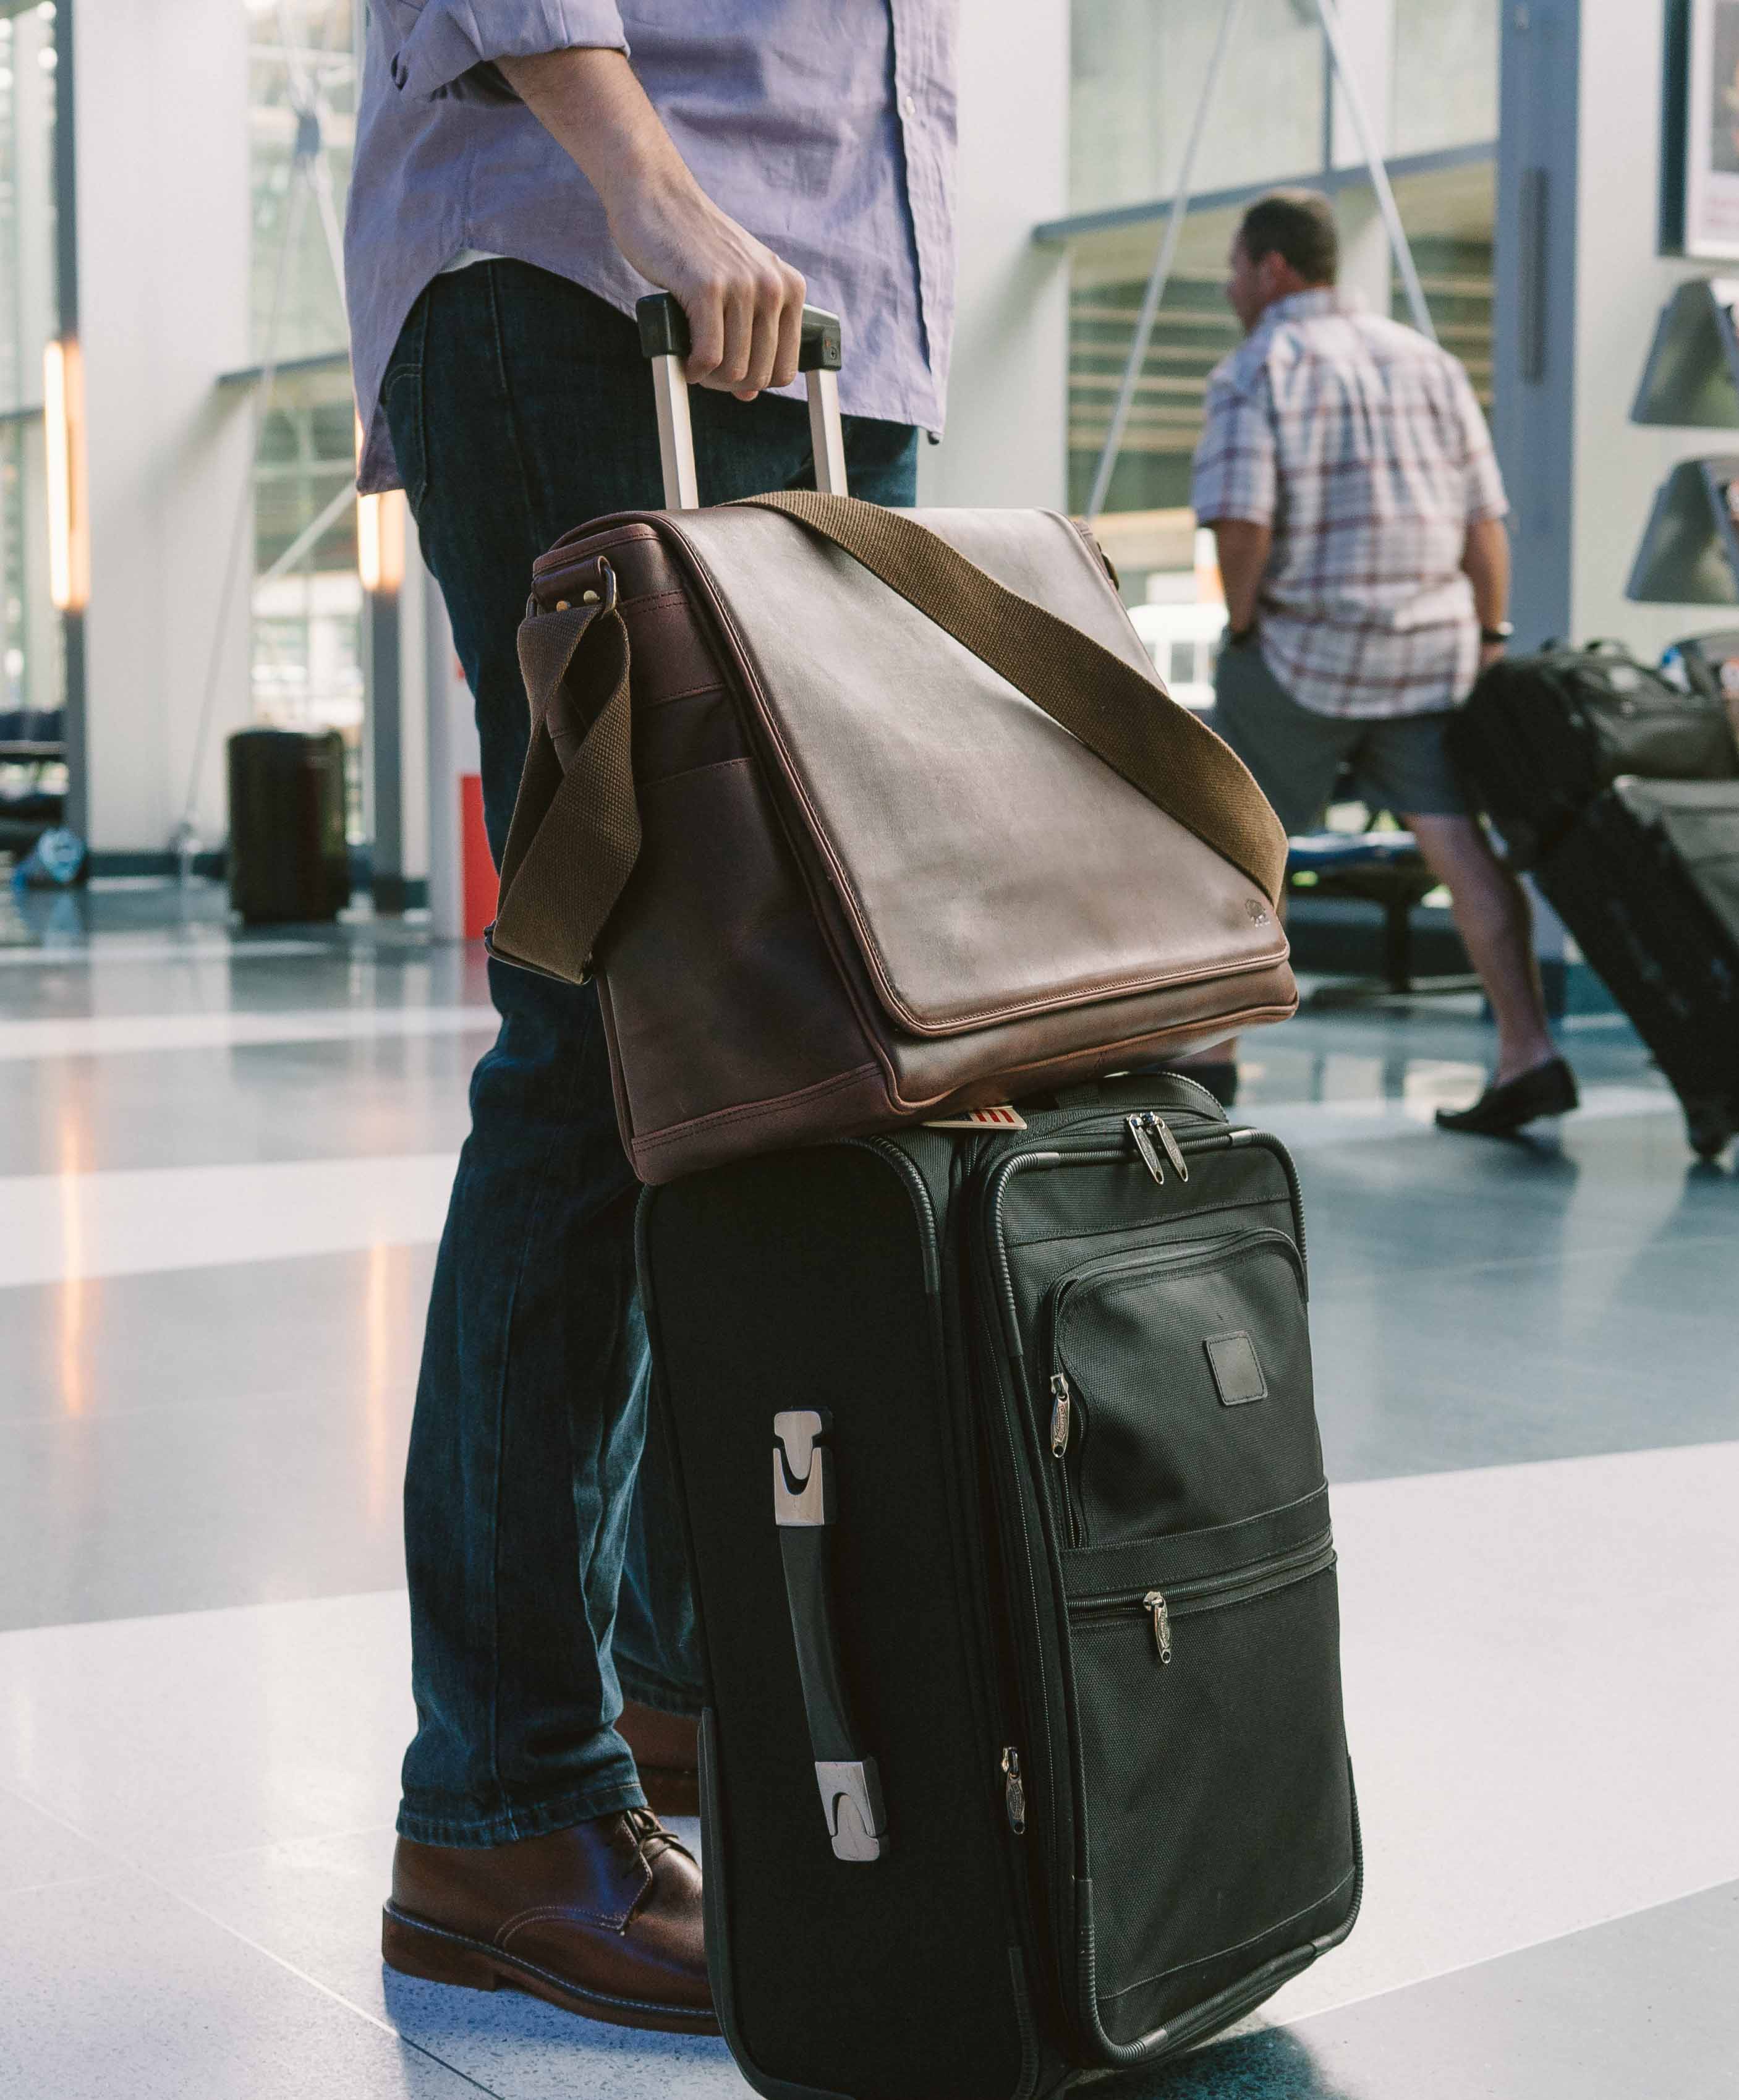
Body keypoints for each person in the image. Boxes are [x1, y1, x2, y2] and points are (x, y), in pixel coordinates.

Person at [344, 3, 955, 2031]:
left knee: (774, 1046)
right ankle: (503, 1809)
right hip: (605, 278)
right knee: (604, 1038)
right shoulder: (628, 221)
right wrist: (650, 183)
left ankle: (675, 1699)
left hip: (829, 310)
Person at [1190, 189, 1578, 1136]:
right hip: (1427, 661)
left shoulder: (1256, 368)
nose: (1230, 285)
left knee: (1235, 848)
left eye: (1235, 267)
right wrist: (1485, 638)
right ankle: (1527, 1049)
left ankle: (1212, 1060)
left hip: (1300, 656)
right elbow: (1483, 523)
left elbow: (1242, 522)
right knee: (1461, 851)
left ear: (1272, 267)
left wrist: (1243, 628)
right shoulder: (1429, 364)